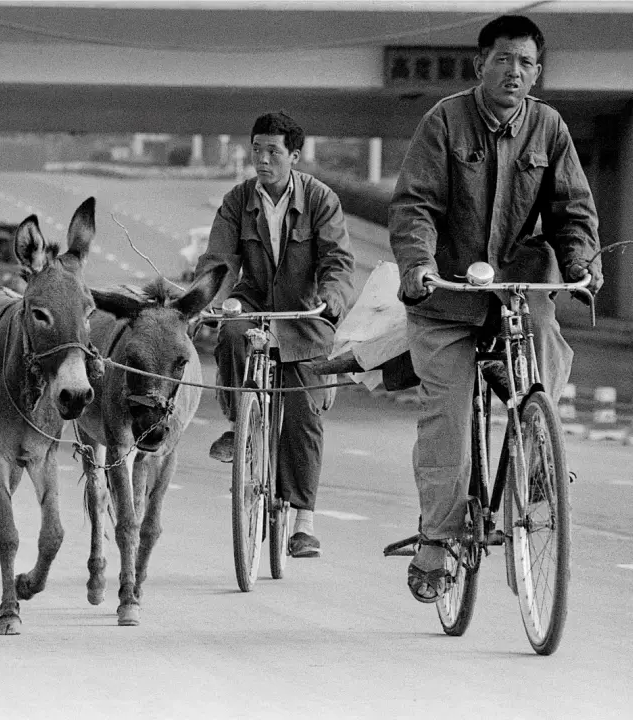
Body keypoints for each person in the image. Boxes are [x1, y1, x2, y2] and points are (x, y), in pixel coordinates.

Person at [388, 15, 603, 602]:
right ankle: (438, 538)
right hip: (447, 294)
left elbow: (572, 212)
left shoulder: (550, 127)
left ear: (538, 73)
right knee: (449, 421)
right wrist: (419, 268)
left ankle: (538, 450)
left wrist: (581, 264)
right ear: (480, 64)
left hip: (514, 287)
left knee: (549, 347)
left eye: (527, 63)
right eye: (504, 59)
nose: (515, 72)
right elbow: (415, 207)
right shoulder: (445, 121)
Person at [193, 111, 356, 558]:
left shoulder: (322, 200)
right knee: (231, 333)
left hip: (304, 313)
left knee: (303, 410)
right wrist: (206, 300)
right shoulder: (237, 200)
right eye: (257, 150)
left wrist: (332, 300)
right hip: (254, 302)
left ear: (294, 157)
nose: (262, 161)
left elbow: (338, 263)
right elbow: (219, 262)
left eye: (273, 152)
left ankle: (302, 521)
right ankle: (237, 422)